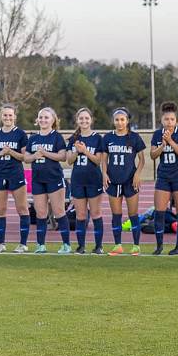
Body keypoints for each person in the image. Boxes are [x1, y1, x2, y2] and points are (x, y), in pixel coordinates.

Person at [24, 107, 70, 254]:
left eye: (46, 117)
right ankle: (41, 245)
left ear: (53, 120)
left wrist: (45, 153)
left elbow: (62, 156)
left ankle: (66, 245)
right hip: (38, 180)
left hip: (54, 178)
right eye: (41, 117)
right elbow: (26, 158)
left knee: (59, 212)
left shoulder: (56, 137)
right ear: (37, 120)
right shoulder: (33, 138)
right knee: (41, 213)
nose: (43, 120)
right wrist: (34, 156)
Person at [102, 107, 146, 256]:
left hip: (129, 180)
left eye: (122, 119)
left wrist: (137, 175)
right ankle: (118, 245)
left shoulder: (134, 137)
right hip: (113, 181)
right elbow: (104, 159)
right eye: (117, 120)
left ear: (127, 121)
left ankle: (136, 245)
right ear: (113, 121)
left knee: (133, 214)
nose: (119, 122)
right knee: (116, 215)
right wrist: (104, 174)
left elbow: (142, 159)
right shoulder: (108, 138)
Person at [0, 103, 30, 253]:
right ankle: (1, 243)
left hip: (16, 173)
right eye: (5, 115)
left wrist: (10, 151)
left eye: (10, 115)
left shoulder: (20, 134)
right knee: (1, 209)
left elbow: (25, 157)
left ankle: (23, 244)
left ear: (14, 117)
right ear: (1, 117)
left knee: (22, 208)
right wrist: (1, 153)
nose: (7, 117)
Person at [150, 101, 178, 255]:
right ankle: (159, 246)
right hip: (163, 176)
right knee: (159, 212)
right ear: (162, 120)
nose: (169, 122)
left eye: (172, 119)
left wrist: (171, 141)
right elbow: (153, 155)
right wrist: (162, 144)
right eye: (166, 119)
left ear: (176, 120)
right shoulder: (157, 134)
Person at [66, 107, 106, 254]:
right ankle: (81, 246)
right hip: (78, 180)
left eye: (86, 118)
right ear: (77, 120)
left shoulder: (97, 138)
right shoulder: (73, 139)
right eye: (81, 118)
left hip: (93, 179)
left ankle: (98, 246)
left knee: (96, 213)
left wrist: (85, 151)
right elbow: (69, 160)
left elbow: (97, 160)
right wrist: (76, 151)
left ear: (91, 120)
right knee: (80, 215)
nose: (84, 121)